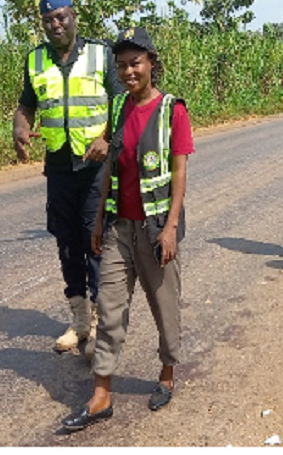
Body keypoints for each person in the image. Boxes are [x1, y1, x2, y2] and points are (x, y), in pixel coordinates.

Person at [61, 27, 194, 432]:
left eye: (135, 63)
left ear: (152, 63)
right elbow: (110, 169)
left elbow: (179, 172)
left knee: (164, 305)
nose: (128, 71)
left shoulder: (173, 110)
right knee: (110, 306)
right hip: (119, 227)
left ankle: (167, 372)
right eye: (121, 66)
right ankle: (101, 393)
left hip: (155, 230)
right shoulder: (117, 108)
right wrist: (99, 220)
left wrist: (170, 228)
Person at [13, 0, 124, 359]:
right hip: (59, 165)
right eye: (48, 19)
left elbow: (123, 103)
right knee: (66, 243)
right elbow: (26, 107)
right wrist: (19, 127)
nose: (55, 24)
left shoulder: (100, 54)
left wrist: (108, 140)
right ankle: (79, 321)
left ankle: (98, 323)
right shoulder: (36, 60)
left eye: (60, 17)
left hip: (94, 168)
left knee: (94, 242)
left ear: (73, 16)